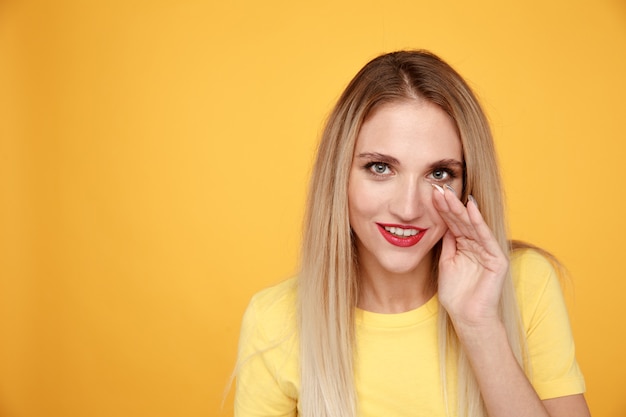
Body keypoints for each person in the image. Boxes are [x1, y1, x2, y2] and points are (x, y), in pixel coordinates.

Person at [234, 50, 590, 417]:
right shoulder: (275, 319)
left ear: (467, 185)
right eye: (380, 167)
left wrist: (479, 326)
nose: (408, 208)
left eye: (439, 174)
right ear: (339, 174)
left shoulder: (525, 284)